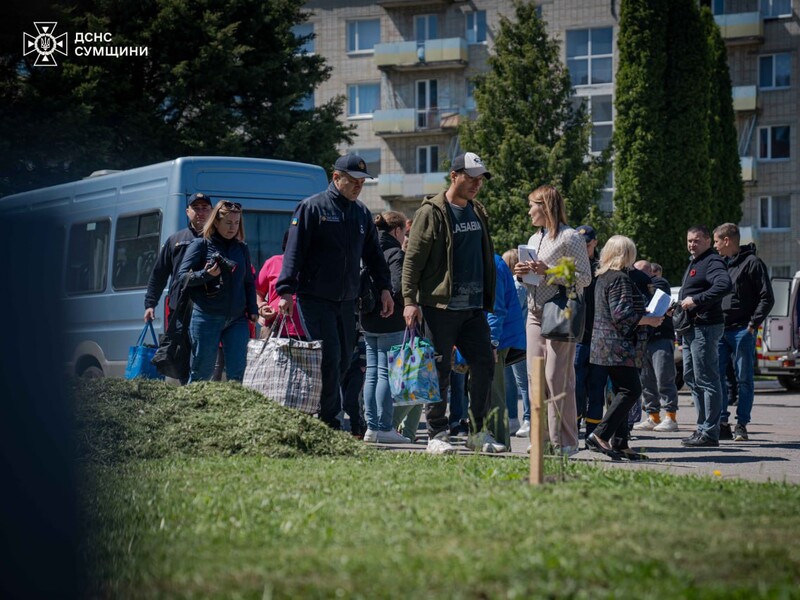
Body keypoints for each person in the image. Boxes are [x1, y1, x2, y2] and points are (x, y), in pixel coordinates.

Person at [277, 153, 393, 429]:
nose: (358, 186)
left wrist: (385, 289)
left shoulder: (362, 213)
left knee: (342, 361)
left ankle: (319, 412)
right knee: (330, 357)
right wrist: (285, 291)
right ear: (336, 177)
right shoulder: (312, 208)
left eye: (362, 182)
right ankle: (329, 423)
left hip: (347, 300)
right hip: (314, 297)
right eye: (353, 181)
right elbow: (293, 252)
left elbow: (375, 256)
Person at [402, 151, 501, 455]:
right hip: (439, 307)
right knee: (439, 370)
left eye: (480, 179)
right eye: (470, 178)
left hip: (473, 308)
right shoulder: (431, 211)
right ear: (454, 175)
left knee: (484, 364)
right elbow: (412, 260)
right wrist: (409, 300)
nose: (476, 184)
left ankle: (476, 432)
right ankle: (437, 434)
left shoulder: (477, 210)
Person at [513, 185, 591, 456]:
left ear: (545, 206)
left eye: (532, 205)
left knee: (558, 379)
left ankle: (566, 442)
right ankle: (541, 439)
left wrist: (551, 271)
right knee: (536, 380)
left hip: (558, 313)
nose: (528, 210)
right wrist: (521, 274)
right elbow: (532, 279)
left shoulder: (570, 237)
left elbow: (584, 278)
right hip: (534, 315)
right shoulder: (534, 239)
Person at [586, 236, 664, 458]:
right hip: (618, 347)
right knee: (631, 390)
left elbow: (617, 311)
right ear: (626, 254)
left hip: (603, 344)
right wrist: (649, 320)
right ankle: (600, 434)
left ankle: (620, 443)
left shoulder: (603, 276)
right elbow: (622, 316)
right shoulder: (620, 278)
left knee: (621, 391)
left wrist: (647, 314)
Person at [177, 200, 258, 382]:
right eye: (228, 223)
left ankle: (234, 410)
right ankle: (194, 410)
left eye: (236, 223)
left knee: (237, 374)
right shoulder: (200, 244)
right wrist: (206, 274)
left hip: (237, 318)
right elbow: (182, 277)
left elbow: (248, 281)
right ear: (216, 222)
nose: (232, 228)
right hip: (206, 316)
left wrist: (253, 309)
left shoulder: (242, 248)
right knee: (202, 374)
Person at [713, 223, 775, 442]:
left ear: (727, 240)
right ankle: (722, 423)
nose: (715, 246)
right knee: (718, 378)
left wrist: (752, 325)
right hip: (719, 331)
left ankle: (741, 425)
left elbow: (767, 297)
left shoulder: (752, 263)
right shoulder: (720, 264)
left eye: (717, 241)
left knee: (744, 379)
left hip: (742, 331)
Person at [143, 192, 212, 382]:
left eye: (205, 208)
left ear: (211, 211)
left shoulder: (218, 239)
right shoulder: (176, 239)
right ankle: (185, 390)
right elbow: (158, 274)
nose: (200, 212)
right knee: (180, 350)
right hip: (179, 305)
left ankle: (201, 388)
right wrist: (150, 304)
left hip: (208, 305)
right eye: (196, 208)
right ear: (187, 211)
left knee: (203, 349)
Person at [360, 211, 411, 444]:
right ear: (397, 231)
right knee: (385, 373)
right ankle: (384, 426)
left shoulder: (366, 249)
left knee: (371, 372)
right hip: (390, 318)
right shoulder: (395, 253)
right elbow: (398, 287)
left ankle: (371, 427)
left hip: (367, 317)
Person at [679, 225, 732, 447]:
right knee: (692, 378)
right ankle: (701, 428)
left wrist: (697, 300)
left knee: (707, 379)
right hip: (692, 327)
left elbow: (724, 285)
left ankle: (710, 432)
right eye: (690, 240)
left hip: (705, 327)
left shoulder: (712, 261)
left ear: (708, 241)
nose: (692, 244)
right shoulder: (696, 261)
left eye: (697, 240)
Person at [632, 260, 680, 432]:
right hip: (644, 339)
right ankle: (653, 417)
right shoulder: (641, 284)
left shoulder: (659, 282)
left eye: (638, 271)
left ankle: (671, 417)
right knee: (646, 380)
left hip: (661, 338)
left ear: (649, 271)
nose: (634, 275)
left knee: (664, 378)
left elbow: (650, 301)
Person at [486, 253, 527, 449]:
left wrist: (492, 341)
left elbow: (497, 307)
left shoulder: (492, 263)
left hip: (496, 338)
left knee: (495, 390)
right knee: (490, 388)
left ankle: (501, 440)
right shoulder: (489, 261)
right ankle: (494, 438)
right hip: (494, 335)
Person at [572, 225, 601, 438]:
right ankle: (574, 425)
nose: (584, 248)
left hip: (599, 335)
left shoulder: (602, 267)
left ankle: (594, 431)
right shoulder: (571, 266)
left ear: (595, 243)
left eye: (588, 244)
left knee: (597, 386)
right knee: (576, 385)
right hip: (578, 336)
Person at [255, 230, 305, 339]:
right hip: (274, 328)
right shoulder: (272, 262)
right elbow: (257, 292)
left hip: (308, 329)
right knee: (267, 356)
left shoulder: (314, 266)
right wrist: (261, 307)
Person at [502, 249, 529, 437]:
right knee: (514, 381)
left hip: (514, 337)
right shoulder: (521, 285)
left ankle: (523, 418)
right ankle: (515, 419)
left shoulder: (515, 286)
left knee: (519, 381)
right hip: (517, 336)